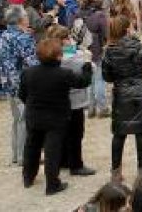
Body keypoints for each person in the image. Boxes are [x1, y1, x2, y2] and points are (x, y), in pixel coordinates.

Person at [19, 38, 93, 195]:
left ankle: (28, 177)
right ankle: (52, 184)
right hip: (56, 117)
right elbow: (83, 82)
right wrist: (87, 64)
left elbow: (22, 94)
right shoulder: (63, 74)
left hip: (34, 115)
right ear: (58, 56)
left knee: (31, 146)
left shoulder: (28, 72)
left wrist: (32, 105)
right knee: (53, 150)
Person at [102, 15, 142, 181]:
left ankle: (115, 172)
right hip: (140, 95)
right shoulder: (139, 48)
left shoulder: (109, 51)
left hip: (121, 94)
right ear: (127, 29)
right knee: (141, 133)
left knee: (119, 134)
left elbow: (106, 77)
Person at [46, 25, 96, 177]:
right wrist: (86, 56)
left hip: (57, 102)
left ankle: (63, 160)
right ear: (62, 41)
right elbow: (91, 67)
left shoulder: (49, 56)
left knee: (62, 133)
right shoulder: (72, 59)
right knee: (76, 133)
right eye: (68, 38)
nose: (71, 40)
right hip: (74, 101)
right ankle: (76, 164)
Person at [0, 5, 38, 166]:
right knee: (24, 120)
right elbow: (33, 62)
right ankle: (23, 157)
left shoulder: (5, 35)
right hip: (22, 85)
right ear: (21, 20)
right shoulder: (23, 38)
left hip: (7, 83)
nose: (28, 19)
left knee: (16, 120)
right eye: (26, 17)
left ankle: (16, 155)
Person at [74, 0, 110, 118]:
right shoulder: (99, 15)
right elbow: (106, 34)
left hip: (81, 49)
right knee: (99, 79)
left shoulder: (76, 14)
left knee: (89, 78)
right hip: (96, 48)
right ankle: (103, 107)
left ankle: (91, 108)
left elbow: (72, 32)